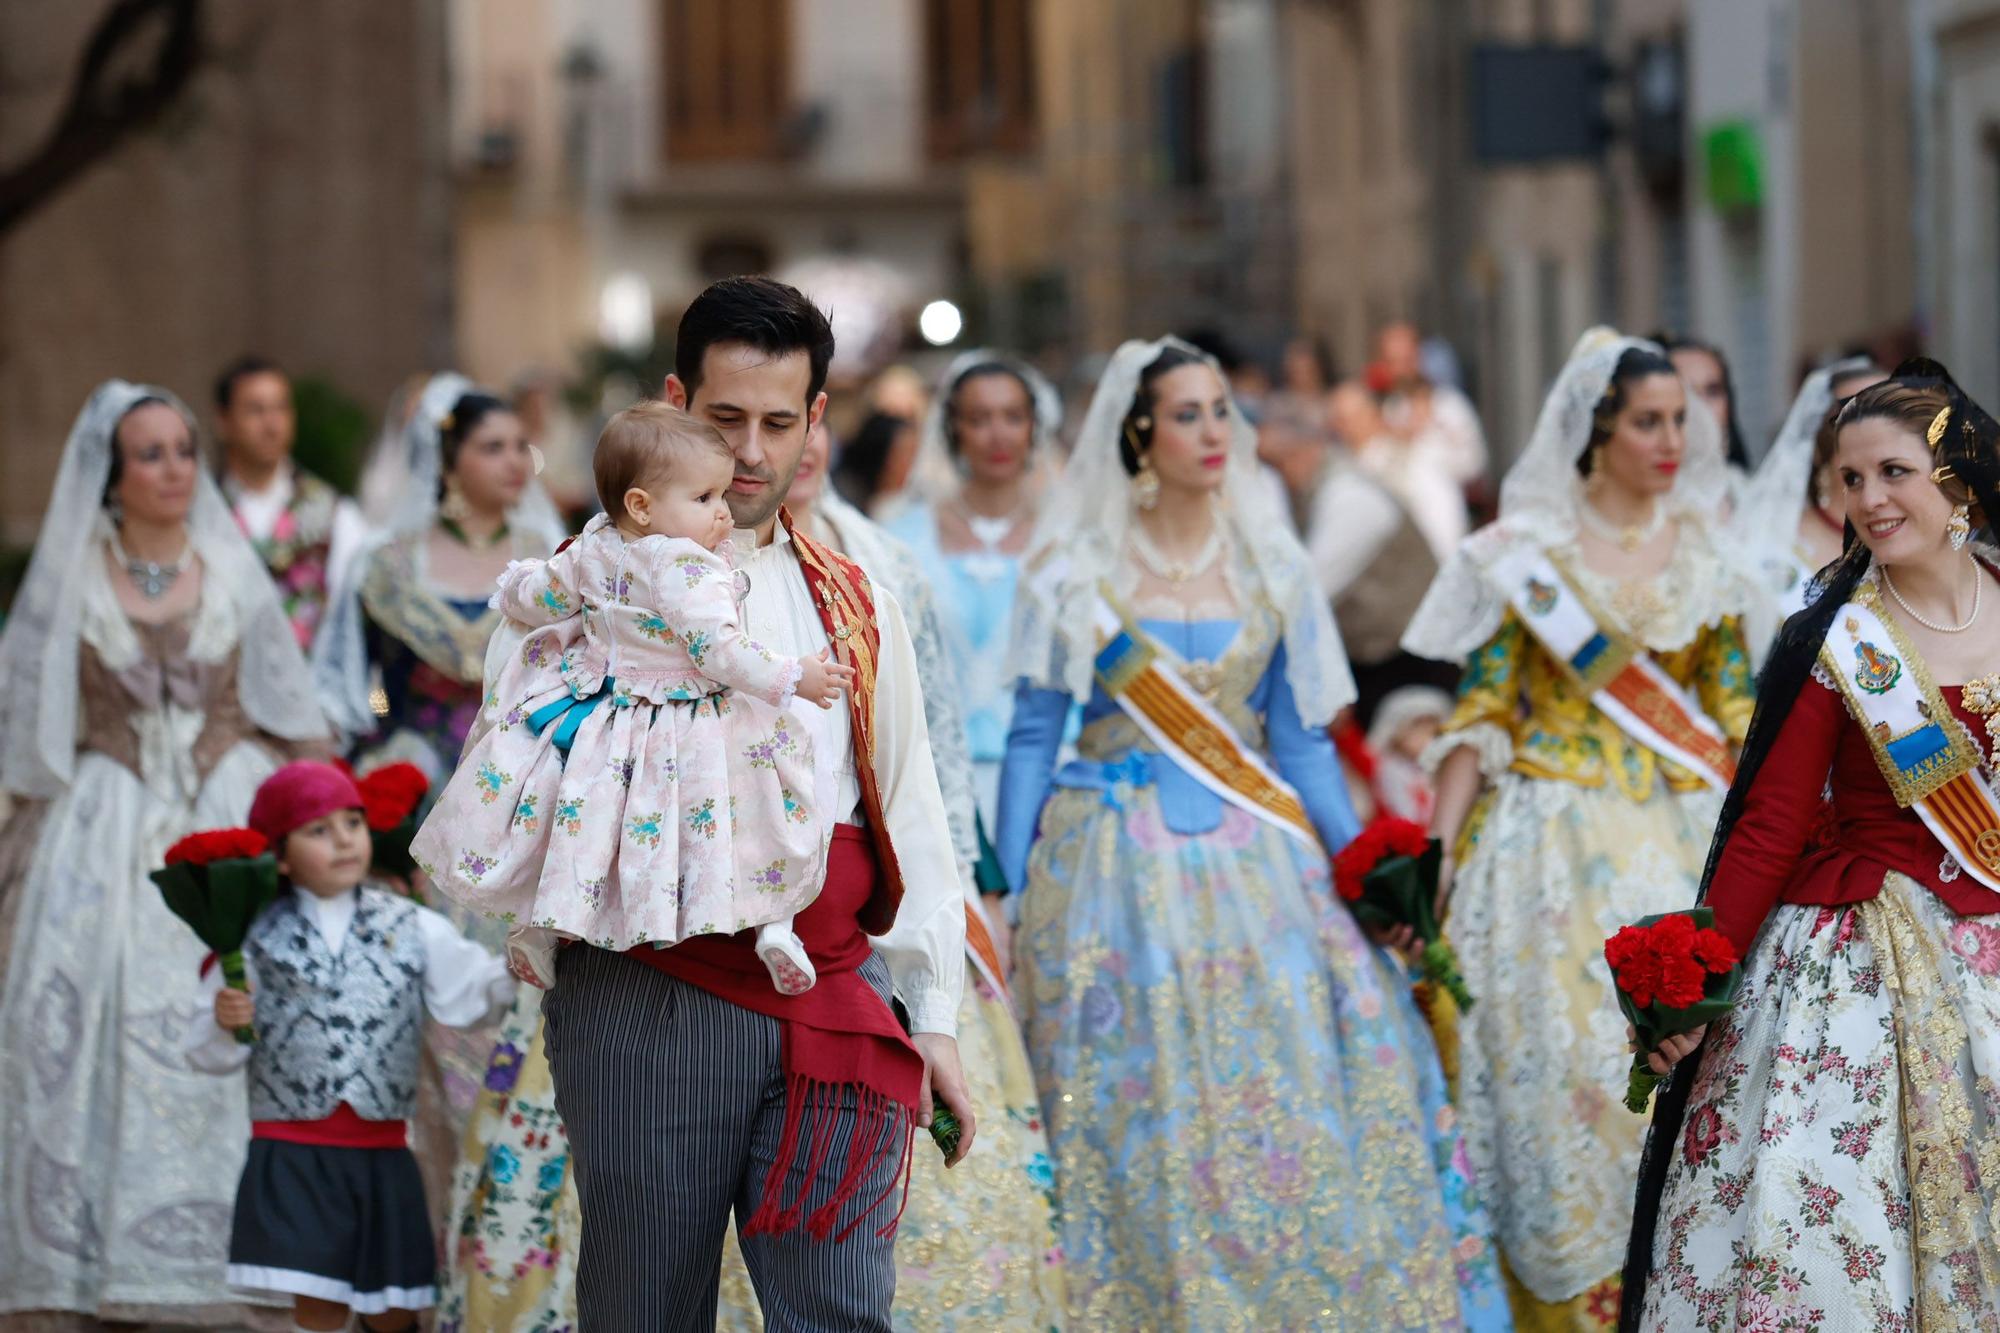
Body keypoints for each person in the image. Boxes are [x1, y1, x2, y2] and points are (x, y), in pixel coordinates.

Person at [997, 336, 1508, 1328]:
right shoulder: (1072, 568)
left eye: (1223, 410)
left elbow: (1304, 744)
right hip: (1111, 866)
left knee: (1277, 1089)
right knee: (1130, 1098)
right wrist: (1002, 889)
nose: (1214, 431)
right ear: (1139, 436)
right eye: (1187, 414)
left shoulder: (1270, 564)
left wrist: (1360, 863)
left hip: (1260, 865)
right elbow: (1028, 734)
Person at [537, 275, 972, 1331]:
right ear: (676, 400)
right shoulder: (588, 586)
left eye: (779, 422)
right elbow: (521, 771)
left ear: (817, 419)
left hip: (831, 986)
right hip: (649, 988)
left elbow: (906, 805)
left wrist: (936, 1014)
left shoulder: (853, 596)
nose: (748, 453)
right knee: (646, 1313)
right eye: (722, 419)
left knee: (841, 1314)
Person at [1623, 363, 2000, 1328]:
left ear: (1956, 474)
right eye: (1851, 479)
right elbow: (1771, 824)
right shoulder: (1837, 638)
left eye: (1895, 473)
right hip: (1865, 959)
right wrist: (1698, 976)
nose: (1871, 499)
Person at [1402, 329, 1761, 1327]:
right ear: (1592, 433)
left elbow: (1733, 714)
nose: (1669, 441)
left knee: (1695, 1068)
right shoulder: (1525, 562)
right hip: (1545, 855)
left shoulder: (1708, 558)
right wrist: (1434, 848)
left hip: (1679, 834)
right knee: (1565, 1083)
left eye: (1678, 422)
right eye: (1647, 422)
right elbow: (1481, 707)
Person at [0, 382, 328, 1324]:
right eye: (150, 453)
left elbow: (288, 705)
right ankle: (94, 1254)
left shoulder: (230, 567)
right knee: (80, 1018)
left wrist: (324, 814)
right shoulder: (72, 577)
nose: (175, 468)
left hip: (226, 809)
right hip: (103, 828)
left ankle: (260, 1251)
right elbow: (31, 726)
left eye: (184, 449)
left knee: (257, 1013)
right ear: (110, 476)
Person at [417, 403, 852, 994]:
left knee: (581, 819)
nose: (723, 512)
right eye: (704, 499)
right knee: (762, 799)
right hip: (693, 717)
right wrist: (791, 675)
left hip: (605, 717)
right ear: (643, 505)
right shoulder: (686, 567)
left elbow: (542, 595)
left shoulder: (592, 543)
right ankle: (774, 926)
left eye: (721, 495)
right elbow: (719, 651)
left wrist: (514, 586)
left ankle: (541, 928)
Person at [186, 760, 514, 1332]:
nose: (343, 840)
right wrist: (224, 1018)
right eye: (319, 830)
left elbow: (474, 991)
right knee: (317, 1301)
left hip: (383, 1153)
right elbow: (210, 1051)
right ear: (281, 855)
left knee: (393, 1307)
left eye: (353, 824)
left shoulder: (410, 924)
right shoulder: (253, 934)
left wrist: (526, 963)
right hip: (292, 1153)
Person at [885, 351, 1063, 822]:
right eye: (979, 419)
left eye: (1013, 417)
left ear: (1033, 427)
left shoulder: (1069, 544)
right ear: (952, 430)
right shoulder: (904, 540)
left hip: (1050, 780)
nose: (998, 435)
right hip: (937, 785)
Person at [1309, 381, 1451, 723]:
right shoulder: (1335, 472)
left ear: (1374, 416)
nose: (1343, 426)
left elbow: (1446, 543)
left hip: (1411, 645)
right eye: (1336, 419)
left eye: (1352, 416)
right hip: (1366, 647)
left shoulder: (1415, 468)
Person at [213, 356, 371, 654]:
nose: (271, 424)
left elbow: (351, 618)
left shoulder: (335, 513)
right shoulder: (200, 513)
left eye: (281, 408)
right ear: (223, 421)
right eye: (255, 410)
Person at [1732, 356, 1889, 620]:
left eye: (1896, 412)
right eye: (1856, 416)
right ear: (1818, 442)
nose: (1880, 432)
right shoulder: (1776, 548)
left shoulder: (1926, 537)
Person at [1652, 333, 1751, 475]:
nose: (1701, 406)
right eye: (1685, 391)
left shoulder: (1748, 489)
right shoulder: (1643, 493)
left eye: (1712, 391)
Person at [1366, 684, 1454, 825]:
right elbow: (1400, 808)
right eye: (1419, 731)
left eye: (1434, 733)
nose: (1427, 740)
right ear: (1398, 733)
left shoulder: (1435, 767)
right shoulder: (1392, 768)